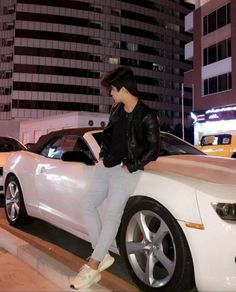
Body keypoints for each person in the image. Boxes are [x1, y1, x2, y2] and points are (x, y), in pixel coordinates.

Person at [70, 66, 160, 290]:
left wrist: (134, 165)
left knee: (112, 215)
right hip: (106, 166)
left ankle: (93, 264)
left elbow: (154, 148)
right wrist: (102, 155)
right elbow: (108, 134)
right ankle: (103, 254)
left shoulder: (146, 115)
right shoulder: (117, 110)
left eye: (112, 89)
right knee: (88, 205)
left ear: (123, 89)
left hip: (126, 171)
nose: (110, 93)